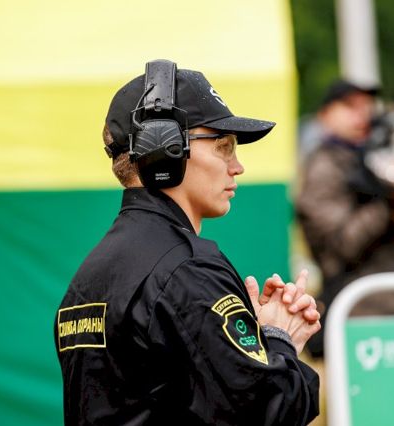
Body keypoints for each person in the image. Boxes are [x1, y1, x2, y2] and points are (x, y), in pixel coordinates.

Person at [54, 60, 321, 426]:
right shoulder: (187, 270)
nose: (238, 166)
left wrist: (250, 344)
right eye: (224, 146)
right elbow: (270, 411)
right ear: (164, 147)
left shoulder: (89, 276)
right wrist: (279, 338)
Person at [295, 79, 394, 358]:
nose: (361, 114)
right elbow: (341, 245)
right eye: (350, 106)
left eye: (366, 106)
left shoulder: (377, 157)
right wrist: (389, 205)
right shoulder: (324, 168)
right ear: (325, 115)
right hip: (366, 318)